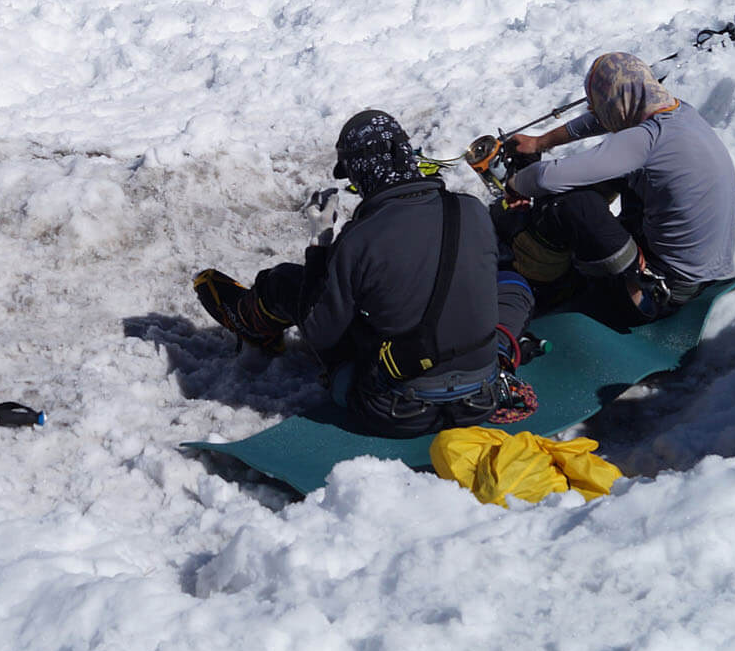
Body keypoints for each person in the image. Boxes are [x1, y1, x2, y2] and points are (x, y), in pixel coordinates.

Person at [193, 111, 526, 437]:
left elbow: (319, 332)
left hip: (396, 411)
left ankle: (250, 323)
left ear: (361, 169)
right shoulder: (471, 209)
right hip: (481, 398)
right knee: (511, 285)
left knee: (287, 283)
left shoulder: (360, 238)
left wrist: (320, 243)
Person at [497, 53, 735, 331]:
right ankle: (628, 257)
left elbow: (548, 178)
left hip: (658, 294)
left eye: (598, 105)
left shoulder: (645, 140)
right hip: (699, 274)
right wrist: (541, 141)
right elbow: (601, 120)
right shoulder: (680, 113)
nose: (596, 113)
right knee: (616, 176)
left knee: (574, 204)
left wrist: (514, 186)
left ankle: (551, 284)